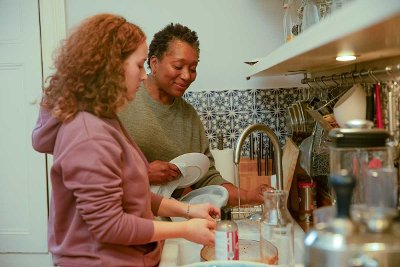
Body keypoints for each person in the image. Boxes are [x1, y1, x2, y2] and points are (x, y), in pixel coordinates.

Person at [31, 14, 219, 267]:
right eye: (140, 65)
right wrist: (184, 230)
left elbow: (132, 194)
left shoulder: (105, 119)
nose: (144, 76)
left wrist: (188, 211)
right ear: (113, 67)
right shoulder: (87, 134)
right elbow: (109, 226)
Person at [118, 23, 270, 206]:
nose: (187, 76)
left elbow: (207, 178)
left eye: (192, 68)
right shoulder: (122, 102)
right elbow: (93, 169)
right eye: (178, 66)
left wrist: (248, 196)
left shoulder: (189, 117)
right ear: (154, 63)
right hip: (121, 218)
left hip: (168, 219)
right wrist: (142, 173)